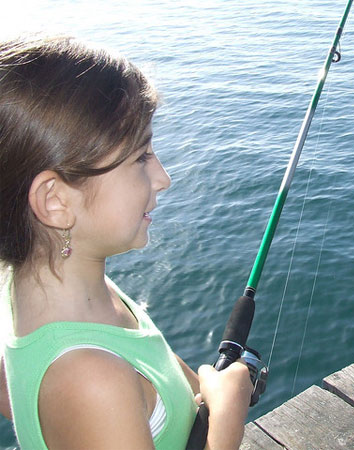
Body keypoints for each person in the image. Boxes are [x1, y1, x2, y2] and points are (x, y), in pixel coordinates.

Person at [0, 35, 252, 449]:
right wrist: (227, 418)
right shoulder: (90, 379)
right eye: (140, 157)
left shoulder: (51, 289)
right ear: (55, 201)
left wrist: (205, 385)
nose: (163, 178)